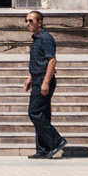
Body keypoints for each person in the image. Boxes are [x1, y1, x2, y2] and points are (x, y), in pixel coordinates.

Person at [24, 10, 67, 158]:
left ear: (39, 23)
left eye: (31, 21)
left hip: (43, 80)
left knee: (34, 112)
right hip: (37, 79)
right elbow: (38, 62)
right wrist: (30, 78)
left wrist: (46, 82)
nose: (28, 24)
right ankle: (43, 150)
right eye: (27, 21)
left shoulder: (46, 38)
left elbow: (52, 61)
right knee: (42, 114)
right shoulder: (36, 39)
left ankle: (56, 141)